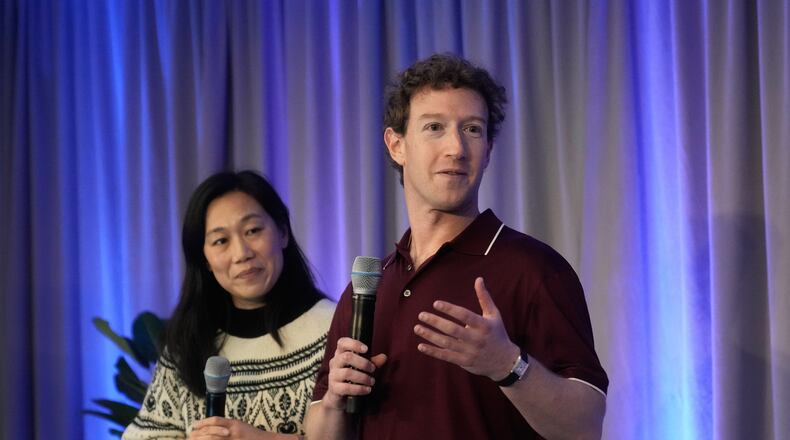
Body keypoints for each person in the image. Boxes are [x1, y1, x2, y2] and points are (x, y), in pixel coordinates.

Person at [305, 53, 608, 439]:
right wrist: (334, 399)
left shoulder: (534, 269)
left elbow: (585, 427)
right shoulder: (368, 287)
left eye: (472, 129)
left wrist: (506, 365)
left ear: (488, 150)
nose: (456, 148)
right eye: (434, 127)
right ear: (397, 145)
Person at [123, 170, 334, 439]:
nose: (241, 254)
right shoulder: (187, 342)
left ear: (282, 232)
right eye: (221, 241)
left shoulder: (335, 329)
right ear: (205, 260)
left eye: (253, 230)